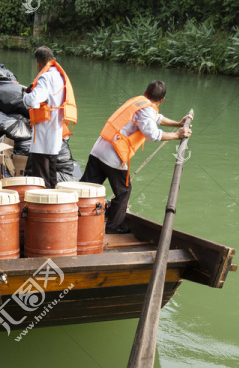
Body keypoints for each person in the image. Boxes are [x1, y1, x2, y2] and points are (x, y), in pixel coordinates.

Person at [81, 81, 191, 234]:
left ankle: (76, 216)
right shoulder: (147, 109)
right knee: (124, 191)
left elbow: (156, 118)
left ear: (145, 92)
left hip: (99, 148)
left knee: (86, 187)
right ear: (162, 100)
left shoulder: (138, 101)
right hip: (114, 155)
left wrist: (178, 124)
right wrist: (177, 135)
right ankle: (113, 226)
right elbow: (152, 135)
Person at [22, 46, 77, 189]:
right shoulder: (59, 75)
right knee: (52, 173)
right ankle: (52, 202)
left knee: (40, 176)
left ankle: (42, 206)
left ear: (38, 63)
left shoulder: (45, 76)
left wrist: (25, 96)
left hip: (44, 133)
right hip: (55, 131)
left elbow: (33, 100)